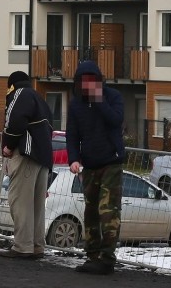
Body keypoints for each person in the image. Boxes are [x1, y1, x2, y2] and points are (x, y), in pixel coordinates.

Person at [65, 60, 125, 275]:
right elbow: (72, 135)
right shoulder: (75, 104)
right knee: (90, 212)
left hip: (111, 162)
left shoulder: (113, 97)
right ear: (78, 82)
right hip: (89, 165)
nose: (88, 84)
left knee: (108, 211)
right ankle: (92, 256)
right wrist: (74, 158)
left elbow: (116, 120)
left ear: (99, 81)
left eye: (92, 80)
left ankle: (107, 258)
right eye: (84, 81)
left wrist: (98, 99)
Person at [0, 70, 53, 259]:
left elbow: (15, 122)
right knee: (37, 205)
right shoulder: (39, 98)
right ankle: (37, 246)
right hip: (44, 157)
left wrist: (9, 146)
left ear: (12, 84)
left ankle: (22, 246)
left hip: (27, 154)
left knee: (20, 202)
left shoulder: (19, 94)